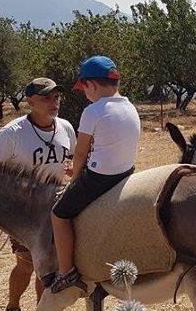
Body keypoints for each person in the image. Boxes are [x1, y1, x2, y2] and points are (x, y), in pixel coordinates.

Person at [0, 77, 76, 311]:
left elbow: (74, 156)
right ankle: (13, 308)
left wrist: (70, 169)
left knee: (50, 265)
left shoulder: (66, 128)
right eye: (47, 97)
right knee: (27, 264)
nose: (54, 102)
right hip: (24, 213)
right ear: (30, 101)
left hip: (57, 207)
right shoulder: (12, 133)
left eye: (56, 97)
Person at [50, 55, 141, 293]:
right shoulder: (131, 107)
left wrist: (74, 178)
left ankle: (66, 271)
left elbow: (79, 154)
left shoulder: (93, 111)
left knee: (59, 214)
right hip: (126, 173)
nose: (84, 93)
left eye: (83, 88)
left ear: (91, 84)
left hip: (101, 178)